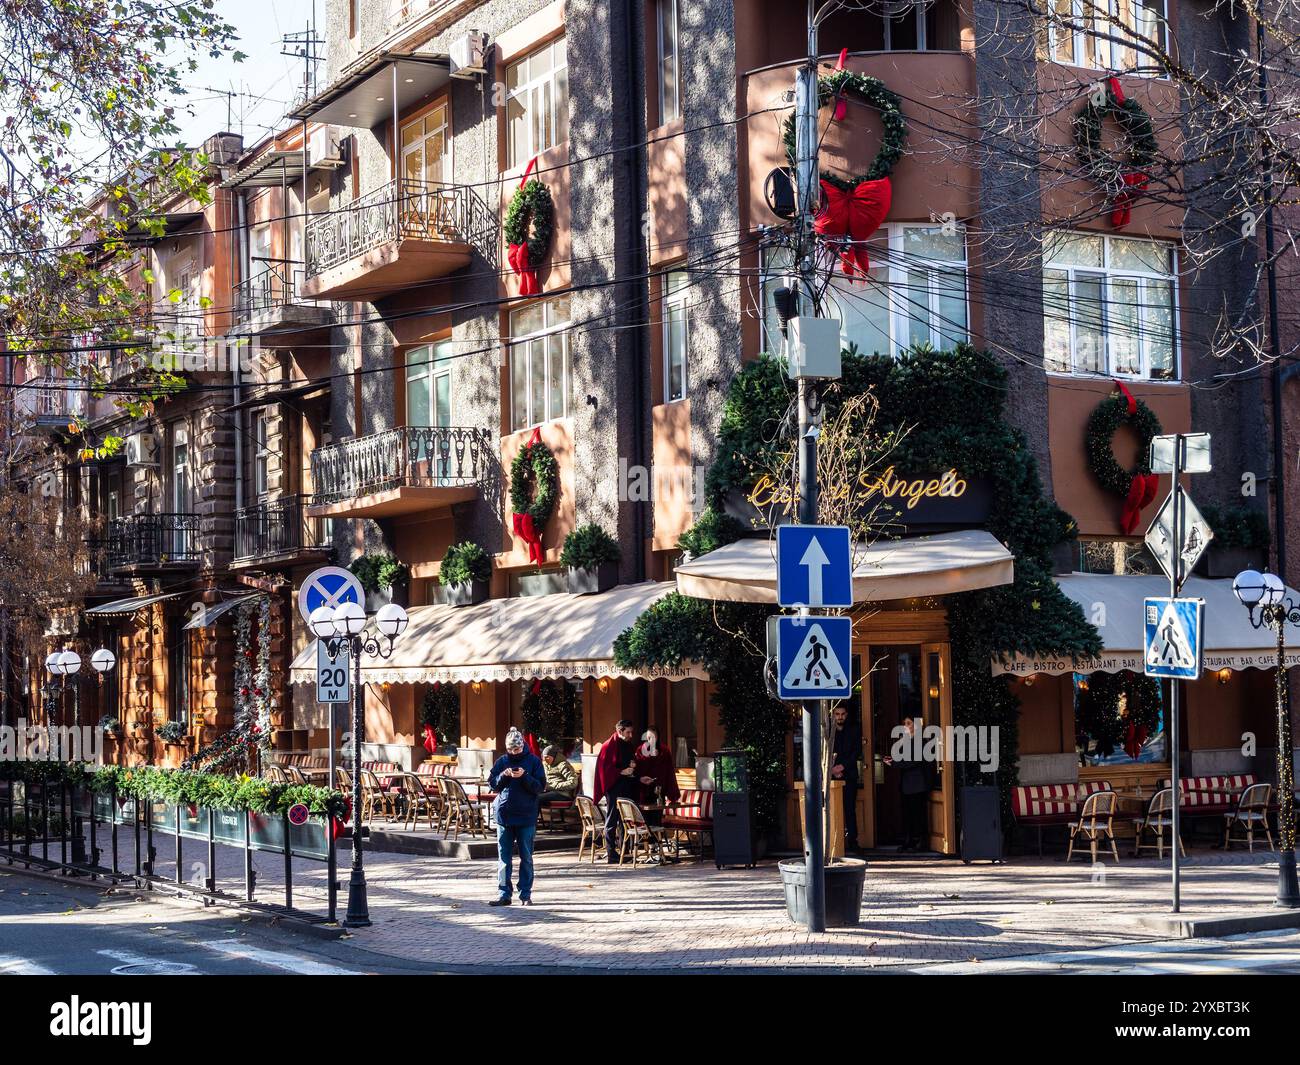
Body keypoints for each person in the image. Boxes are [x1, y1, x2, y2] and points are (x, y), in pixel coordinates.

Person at [488, 728, 546, 906]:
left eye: (517, 749)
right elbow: (493, 784)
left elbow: (540, 787)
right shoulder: (502, 761)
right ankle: (504, 894)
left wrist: (525, 776)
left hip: (526, 815)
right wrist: (503, 776)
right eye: (511, 749)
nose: (514, 753)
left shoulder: (534, 761)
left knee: (526, 857)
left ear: (523, 746)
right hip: (504, 815)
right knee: (504, 857)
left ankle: (525, 894)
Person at [593, 719, 639, 863]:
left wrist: (633, 767)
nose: (631, 735)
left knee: (624, 819)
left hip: (626, 786)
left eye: (632, 732)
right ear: (620, 731)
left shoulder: (628, 745)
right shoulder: (608, 746)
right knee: (612, 819)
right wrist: (621, 772)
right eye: (628, 732)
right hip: (613, 787)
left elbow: (630, 762)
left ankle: (624, 850)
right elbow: (604, 770)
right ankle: (611, 852)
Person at [884, 716, 934, 851]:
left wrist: (894, 764)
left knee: (918, 814)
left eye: (908, 723)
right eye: (904, 723)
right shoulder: (906, 740)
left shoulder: (921, 741)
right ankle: (909, 840)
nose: (905, 726)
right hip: (907, 784)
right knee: (908, 814)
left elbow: (914, 761)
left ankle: (920, 842)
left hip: (918, 783)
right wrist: (893, 760)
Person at [829, 705, 862, 853]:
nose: (840, 717)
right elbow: (823, 752)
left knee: (849, 809)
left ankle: (853, 842)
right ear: (833, 715)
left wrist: (842, 767)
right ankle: (833, 843)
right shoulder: (828, 732)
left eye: (842, 714)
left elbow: (857, 752)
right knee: (831, 810)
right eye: (837, 714)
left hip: (849, 774)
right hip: (830, 777)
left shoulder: (854, 730)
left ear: (847, 714)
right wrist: (832, 770)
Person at [633, 727, 681, 808]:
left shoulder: (664, 751)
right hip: (643, 789)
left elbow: (670, 771)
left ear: (657, 737)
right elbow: (637, 769)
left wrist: (672, 793)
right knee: (645, 817)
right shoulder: (640, 750)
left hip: (659, 789)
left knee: (657, 816)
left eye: (653, 737)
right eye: (648, 737)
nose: (650, 740)